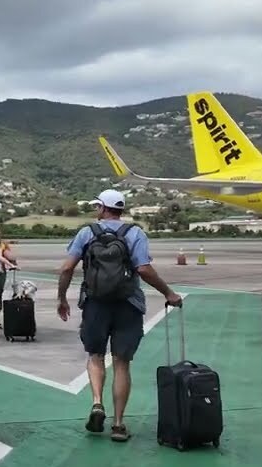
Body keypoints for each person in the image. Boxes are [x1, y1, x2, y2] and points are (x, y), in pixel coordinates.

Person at [57, 189, 183, 443]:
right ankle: (118, 423)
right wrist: (168, 293)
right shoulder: (135, 233)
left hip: (95, 304)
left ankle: (96, 403)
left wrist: (61, 298)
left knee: (95, 356)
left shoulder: (86, 232)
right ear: (121, 209)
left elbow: (67, 267)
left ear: (103, 208)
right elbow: (144, 270)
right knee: (122, 363)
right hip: (128, 305)